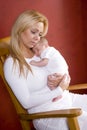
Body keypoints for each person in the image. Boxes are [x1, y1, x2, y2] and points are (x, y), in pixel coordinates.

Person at [3, 10, 87, 130]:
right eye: (33, 32)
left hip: (67, 100)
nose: (37, 38)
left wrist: (63, 79)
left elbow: (61, 68)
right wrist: (59, 90)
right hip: (48, 114)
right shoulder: (13, 64)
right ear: (20, 29)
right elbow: (26, 102)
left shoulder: (40, 52)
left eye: (40, 34)